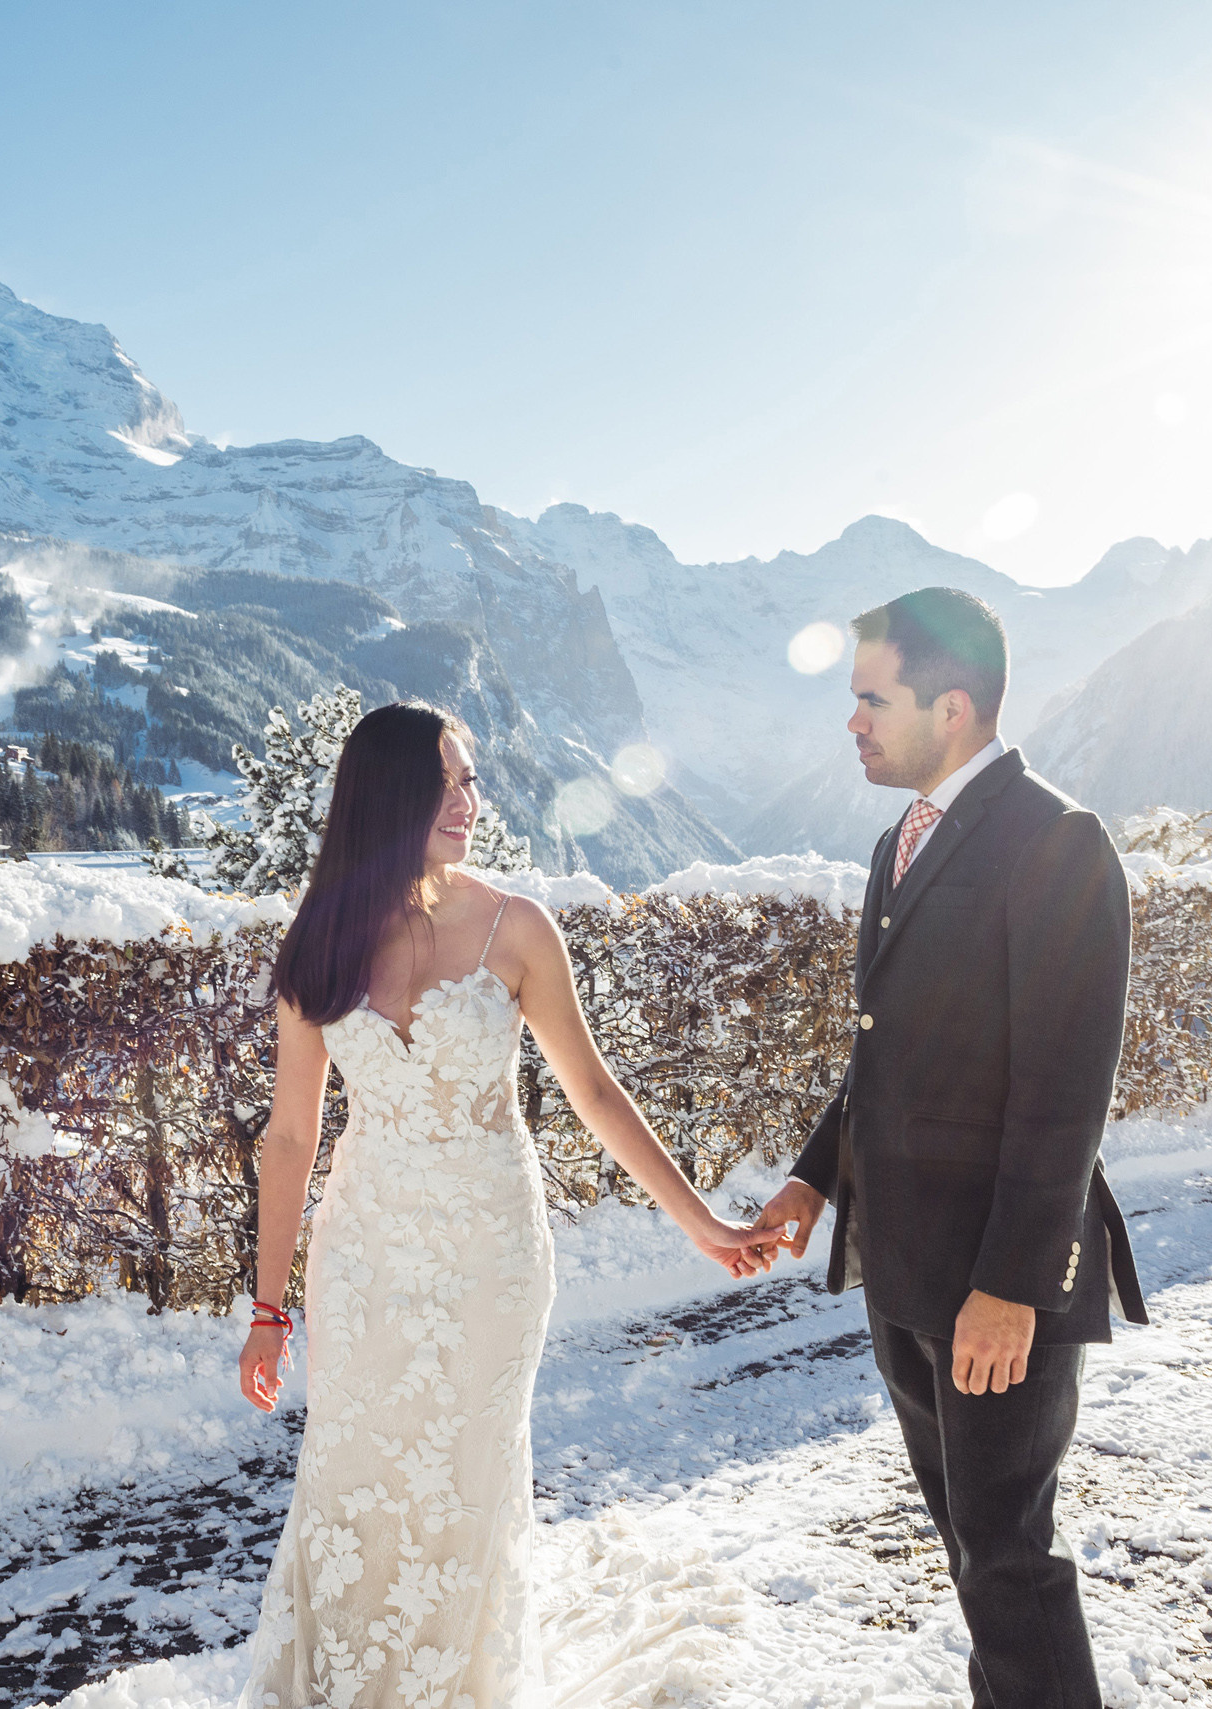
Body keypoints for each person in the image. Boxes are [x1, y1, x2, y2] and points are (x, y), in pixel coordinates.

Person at [234, 700, 774, 1709]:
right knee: (354, 1481)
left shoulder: (513, 925)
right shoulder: (318, 941)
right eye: (446, 783)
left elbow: (596, 1092)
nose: (468, 802)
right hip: (365, 1261)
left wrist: (702, 1222)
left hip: (489, 1258)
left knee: (465, 1486)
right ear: (387, 793)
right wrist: (270, 1306)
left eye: (470, 781)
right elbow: (291, 1136)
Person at [749, 587, 1147, 1709]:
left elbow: (1063, 1092)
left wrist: (1012, 1285)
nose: (853, 721)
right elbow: (890, 1052)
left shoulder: (1058, 843)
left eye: (872, 698)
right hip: (905, 1262)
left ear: (955, 705)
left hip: (993, 1276)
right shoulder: (899, 842)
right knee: (973, 1547)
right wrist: (813, 1177)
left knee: (1008, 1554)